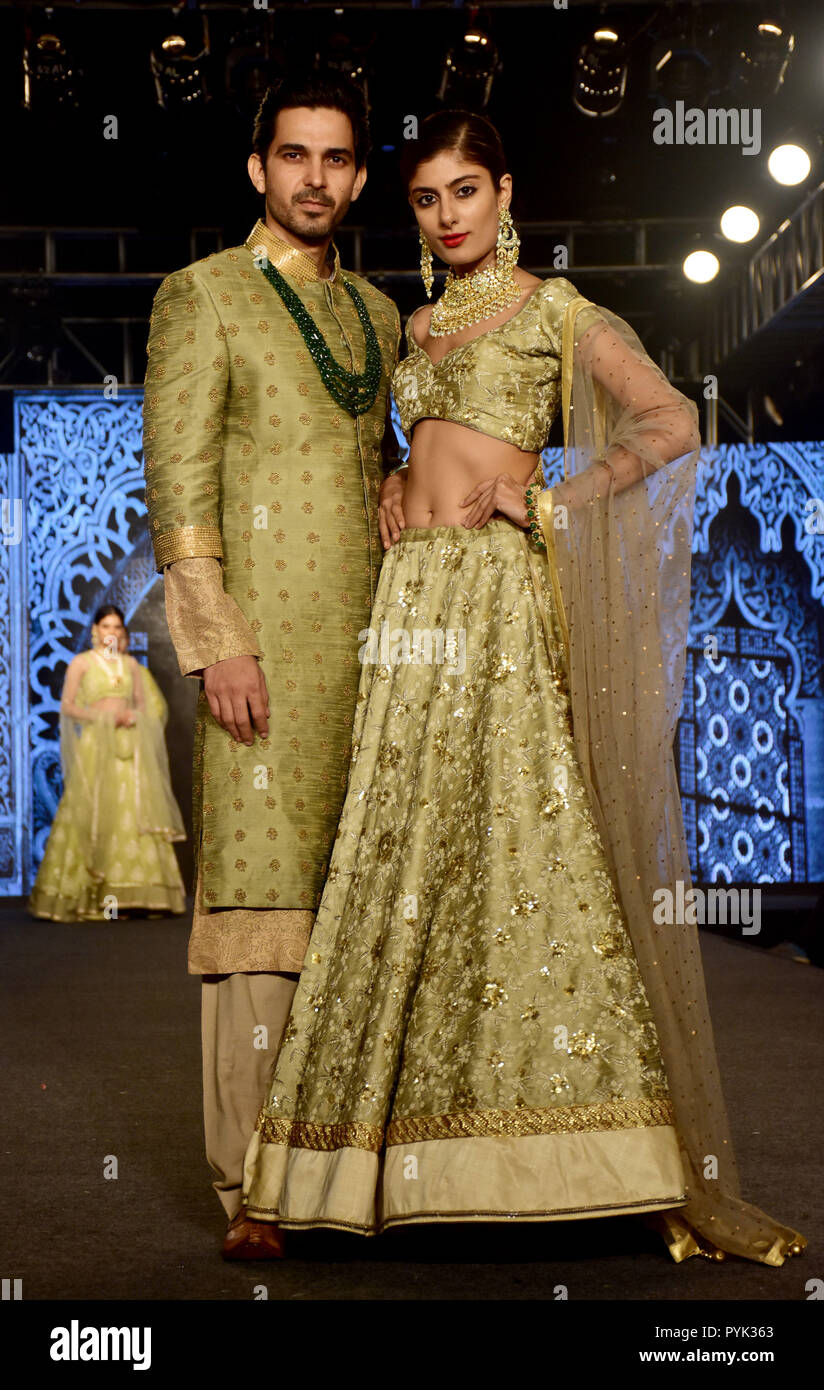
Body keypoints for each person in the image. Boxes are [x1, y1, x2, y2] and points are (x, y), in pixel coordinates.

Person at [240, 110, 806, 1267]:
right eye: (425, 198)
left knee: (521, 851)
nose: (446, 214)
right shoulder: (417, 323)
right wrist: (399, 477)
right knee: (396, 853)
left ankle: (590, 1158)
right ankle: (377, 1160)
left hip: (496, 604)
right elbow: (427, 439)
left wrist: (551, 503)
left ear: (505, 195)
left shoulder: (557, 310)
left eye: (465, 190)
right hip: (412, 605)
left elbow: (668, 420)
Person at [142, 71, 402, 1256]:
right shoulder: (202, 297)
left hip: (370, 650)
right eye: (292, 156)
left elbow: (381, 465)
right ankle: (246, 1184)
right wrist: (217, 642)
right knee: (259, 909)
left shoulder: (379, 318)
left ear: (356, 174)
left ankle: (347, 1167)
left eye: (336, 159)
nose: (314, 178)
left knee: (354, 910)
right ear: (258, 169)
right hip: (259, 649)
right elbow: (178, 488)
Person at [28, 605, 186, 922]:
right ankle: (93, 896)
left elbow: (147, 708)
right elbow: (68, 707)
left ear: (122, 633)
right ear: (95, 631)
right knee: (94, 811)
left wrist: (133, 718)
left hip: (128, 749)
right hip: (96, 749)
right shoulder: (81, 663)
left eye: (117, 627)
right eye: (106, 626)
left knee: (133, 813)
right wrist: (103, 717)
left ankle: (137, 895)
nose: (111, 632)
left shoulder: (131, 667)